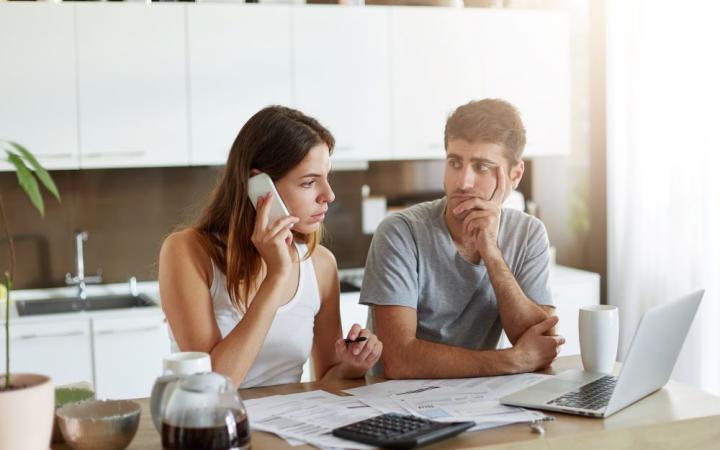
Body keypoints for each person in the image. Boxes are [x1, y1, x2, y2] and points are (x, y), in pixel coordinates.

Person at [159, 105, 382, 388]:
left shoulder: (321, 265)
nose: (329, 194)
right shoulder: (186, 252)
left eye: (327, 177)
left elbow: (327, 380)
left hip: (291, 426)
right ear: (259, 187)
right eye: (309, 182)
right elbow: (213, 387)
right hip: (217, 428)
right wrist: (277, 276)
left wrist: (351, 367)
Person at [360, 99, 564, 379]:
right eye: (455, 163)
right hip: (399, 407)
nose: (463, 181)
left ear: (515, 175)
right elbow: (400, 361)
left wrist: (491, 252)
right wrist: (514, 360)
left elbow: (542, 344)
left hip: (482, 401)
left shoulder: (529, 234)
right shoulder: (400, 232)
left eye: (481, 167)